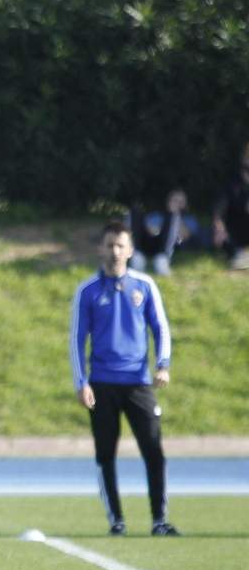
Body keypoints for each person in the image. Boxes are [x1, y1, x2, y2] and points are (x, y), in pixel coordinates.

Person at [70, 221, 179, 537]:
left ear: (130, 250)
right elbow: (77, 338)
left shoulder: (144, 286)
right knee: (106, 454)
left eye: (120, 245)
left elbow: (161, 328)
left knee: (154, 451)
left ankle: (159, 520)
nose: (115, 251)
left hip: (138, 382)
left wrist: (163, 364)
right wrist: (82, 382)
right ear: (100, 249)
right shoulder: (88, 291)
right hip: (102, 383)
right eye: (109, 245)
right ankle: (116, 520)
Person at [127, 190, 186, 277]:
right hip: (150, 241)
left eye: (180, 202)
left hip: (169, 246)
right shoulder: (157, 216)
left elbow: (185, 236)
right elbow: (148, 229)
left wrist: (176, 217)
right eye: (174, 201)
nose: (177, 204)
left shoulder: (190, 220)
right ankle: (136, 255)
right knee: (134, 215)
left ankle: (163, 260)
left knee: (172, 219)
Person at [211, 142, 249, 270]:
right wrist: (218, 227)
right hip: (235, 229)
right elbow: (218, 209)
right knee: (224, 236)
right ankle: (237, 256)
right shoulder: (232, 182)